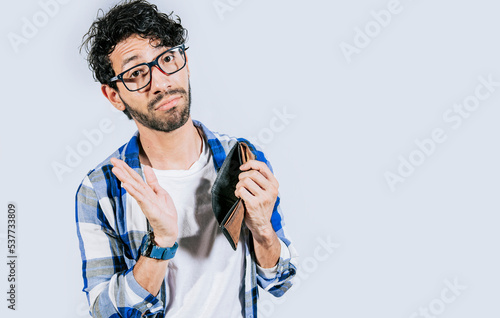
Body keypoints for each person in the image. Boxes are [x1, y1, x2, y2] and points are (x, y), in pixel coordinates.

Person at [75, 1, 298, 317]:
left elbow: (280, 281)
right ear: (114, 95)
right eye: (137, 72)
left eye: (167, 58)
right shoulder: (100, 189)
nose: (162, 82)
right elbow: (106, 312)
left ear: (186, 62)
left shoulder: (242, 159)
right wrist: (161, 243)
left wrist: (262, 228)